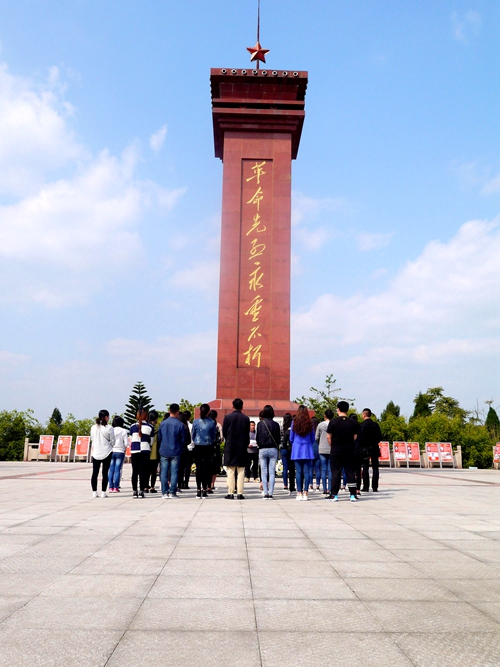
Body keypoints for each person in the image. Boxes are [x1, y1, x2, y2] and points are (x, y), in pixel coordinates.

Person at [327, 401, 359, 502]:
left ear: (338, 409)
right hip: (349, 450)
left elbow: (328, 436)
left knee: (336, 472)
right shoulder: (352, 422)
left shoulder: (333, 421)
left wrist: (333, 445)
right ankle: (353, 494)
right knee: (350, 472)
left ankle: (334, 495)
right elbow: (355, 436)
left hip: (336, 450)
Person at [222, 398, 250, 500]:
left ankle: (230, 493)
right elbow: (247, 434)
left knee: (230, 470)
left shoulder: (227, 417)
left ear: (232, 406)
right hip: (241, 447)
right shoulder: (246, 418)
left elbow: (224, 432)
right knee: (241, 470)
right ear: (242, 407)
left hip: (230, 446)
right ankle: (240, 493)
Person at [158, 403, 185, 499]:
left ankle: (164, 492)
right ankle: (173, 492)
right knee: (174, 472)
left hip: (164, 450)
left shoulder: (162, 424)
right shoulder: (180, 425)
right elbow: (183, 439)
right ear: (177, 412)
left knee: (164, 472)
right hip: (176, 450)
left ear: (169, 411)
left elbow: (159, 438)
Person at [290, 405, 315, 501]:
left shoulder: (294, 423)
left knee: (298, 472)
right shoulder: (310, 423)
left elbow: (291, 438)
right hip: (307, 448)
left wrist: (296, 443)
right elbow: (313, 439)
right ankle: (306, 492)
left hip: (297, 448)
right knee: (307, 472)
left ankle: (299, 492)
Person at [191, 404, 216, 498]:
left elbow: (193, 435)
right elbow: (213, 436)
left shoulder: (195, 422)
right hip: (207, 446)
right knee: (206, 468)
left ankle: (198, 489)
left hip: (198, 446)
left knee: (199, 468)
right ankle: (204, 489)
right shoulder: (211, 422)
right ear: (208, 412)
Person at [256, 405, 281, 499]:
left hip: (262, 449)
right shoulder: (276, 424)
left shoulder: (260, 424)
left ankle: (265, 492)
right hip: (273, 449)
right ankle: (271, 492)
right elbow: (278, 439)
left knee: (263, 471)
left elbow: (258, 437)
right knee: (271, 472)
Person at [90, 409, 115, 498]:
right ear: (105, 417)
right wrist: (111, 445)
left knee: (95, 473)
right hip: (107, 452)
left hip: (96, 452)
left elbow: (92, 438)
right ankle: (103, 492)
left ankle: (94, 492)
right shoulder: (109, 428)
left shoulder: (93, 427)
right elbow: (112, 441)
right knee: (105, 473)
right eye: (108, 416)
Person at [129, 408, 153, 498]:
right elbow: (151, 441)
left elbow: (131, 439)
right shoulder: (150, 427)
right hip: (145, 450)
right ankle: (142, 491)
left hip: (135, 450)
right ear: (146, 416)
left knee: (135, 471)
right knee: (143, 472)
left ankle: (135, 491)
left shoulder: (132, 426)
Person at [360, 408, 383, 492]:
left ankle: (366, 487)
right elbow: (379, 437)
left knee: (365, 467)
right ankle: (375, 487)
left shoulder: (362, 425)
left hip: (365, 448)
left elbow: (360, 438)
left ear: (364, 415)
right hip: (374, 447)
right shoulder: (375, 425)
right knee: (375, 468)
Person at [108, 415, 128, 493]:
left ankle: (110, 487)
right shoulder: (123, 431)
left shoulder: (111, 429)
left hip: (111, 451)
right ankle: (116, 487)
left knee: (111, 469)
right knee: (117, 470)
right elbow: (126, 443)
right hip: (120, 451)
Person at [316, 409, 333, 495]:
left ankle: (324, 489)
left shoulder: (320, 425)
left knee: (323, 469)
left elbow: (316, 437)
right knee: (330, 470)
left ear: (325, 415)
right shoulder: (334, 424)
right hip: (331, 448)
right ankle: (330, 488)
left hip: (322, 448)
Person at [177, 411, 192, 493]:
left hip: (175, 449)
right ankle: (182, 484)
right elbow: (189, 440)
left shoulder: (175, 426)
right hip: (185, 449)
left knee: (176, 468)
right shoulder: (186, 427)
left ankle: (174, 484)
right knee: (184, 468)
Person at [145, 410, 159, 493]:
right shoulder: (159, 427)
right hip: (156, 451)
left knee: (146, 470)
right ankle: (152, 487)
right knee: (154, 471)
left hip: (146, 450)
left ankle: (145, 487)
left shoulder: (146, 427)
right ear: (156, 418)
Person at [208, 409, 222, 492]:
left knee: (207, 466)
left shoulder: (206, 424)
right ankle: (212, 483)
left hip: (207, 447)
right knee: (214, 466)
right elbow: (222, 438)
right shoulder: (218, 425)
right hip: (215, 448)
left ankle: (207, 484)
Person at [281, 413, 295, 493]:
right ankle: (291, 485)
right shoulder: (292, 429)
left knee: (285, 468)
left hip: (283, 448)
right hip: (291, 449)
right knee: (291, 468)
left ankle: (285, 484)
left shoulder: (282, 428)